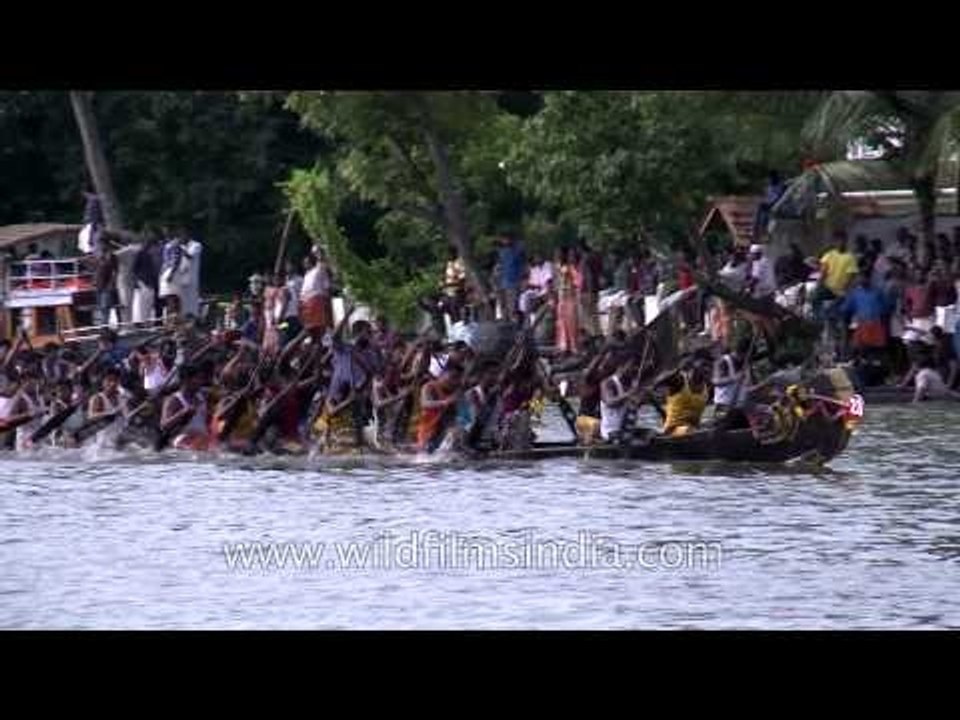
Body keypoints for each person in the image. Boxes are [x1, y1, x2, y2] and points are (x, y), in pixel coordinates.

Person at [160, 364, 210, 451]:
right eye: (197, 378)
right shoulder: (174, 400)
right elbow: (164, 425)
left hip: (202, 440)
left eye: (201, 378)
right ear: (186, 380)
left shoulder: (202, 396)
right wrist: (183, 412)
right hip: (182, 441)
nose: (201, 382)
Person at [812, 230, 859, 322]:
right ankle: (818, 320)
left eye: (843, 240)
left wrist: (844, 290)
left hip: (841, 291)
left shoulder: (850, 257)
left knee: (839, 311)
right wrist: (818, 286)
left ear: (846, 241)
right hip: (828, 288)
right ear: (834, 242)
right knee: (813, 297)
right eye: (838, 241)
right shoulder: (829, 255)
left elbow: (850, 277)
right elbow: (823, 272)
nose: (840, 243)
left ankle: (837, 322)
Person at [416, 363, 463, 451]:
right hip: (425, 429)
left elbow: (453, 415)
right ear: (442, 374)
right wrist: (445, 402)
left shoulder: (455, 392)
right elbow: (425, 403)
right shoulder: (429, 387)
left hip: (441, 430)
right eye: (453, 377)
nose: (454, 382)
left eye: (458, 378)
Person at [840, 272, 892, 351]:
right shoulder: (855, 292)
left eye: (864, 278)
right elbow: (847, 307)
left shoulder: (877, 291)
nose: (862, 280)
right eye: (860, 278)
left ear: (869, 279)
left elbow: (886, 306)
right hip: (862, 323)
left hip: (876, 323)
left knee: (876, 348)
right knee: (860, 346)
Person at [299, 249, 333, 334]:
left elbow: (327, 286)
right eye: (304, 262)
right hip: (307, 305)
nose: (304, 264)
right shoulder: (306, 275)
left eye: (306, 262)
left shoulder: (319, 269)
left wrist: (327, 302)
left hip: (318, 302)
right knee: (310, 329)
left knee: (320, 327)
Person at [554, 247, 580, 355]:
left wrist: (570, 286)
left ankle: (573, 347)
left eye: (559, 254)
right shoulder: (558, 268)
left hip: (570, 298)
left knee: (571, 323)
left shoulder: (570, 268)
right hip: (562, 299)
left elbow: (577, 282)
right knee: (561, 322)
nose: (557, 257)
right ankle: (563, 346)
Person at [132, 232, 161, 323]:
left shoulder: (153, 255)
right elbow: (135, 268)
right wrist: (138, 280)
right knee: (143, 303)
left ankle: (147, 321)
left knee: (149, 303)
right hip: (143, 281)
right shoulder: (141, 253)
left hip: (151, 281)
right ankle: (142, 321)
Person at [496, 234, 526, 321]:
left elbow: (522, 266)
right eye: (503, 240)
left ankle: (515, 324)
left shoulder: (517, 251)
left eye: (506, 239)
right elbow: (501, 267)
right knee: (504, 305)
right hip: (504, 282)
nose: (505, 241)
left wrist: (522, 280)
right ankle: (507, 323)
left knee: (513, 305)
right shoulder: (502, 252)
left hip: (514, 282)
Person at [93, 244, 119, 326]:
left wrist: (110, 285)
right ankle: (103, 325)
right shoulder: (99, 260)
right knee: (101, 307)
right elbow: (96, 274)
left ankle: (105, 326)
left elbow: (114, 273)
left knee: (105, 307)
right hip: (99, 287)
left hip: (106, 287)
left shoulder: (111, 260)